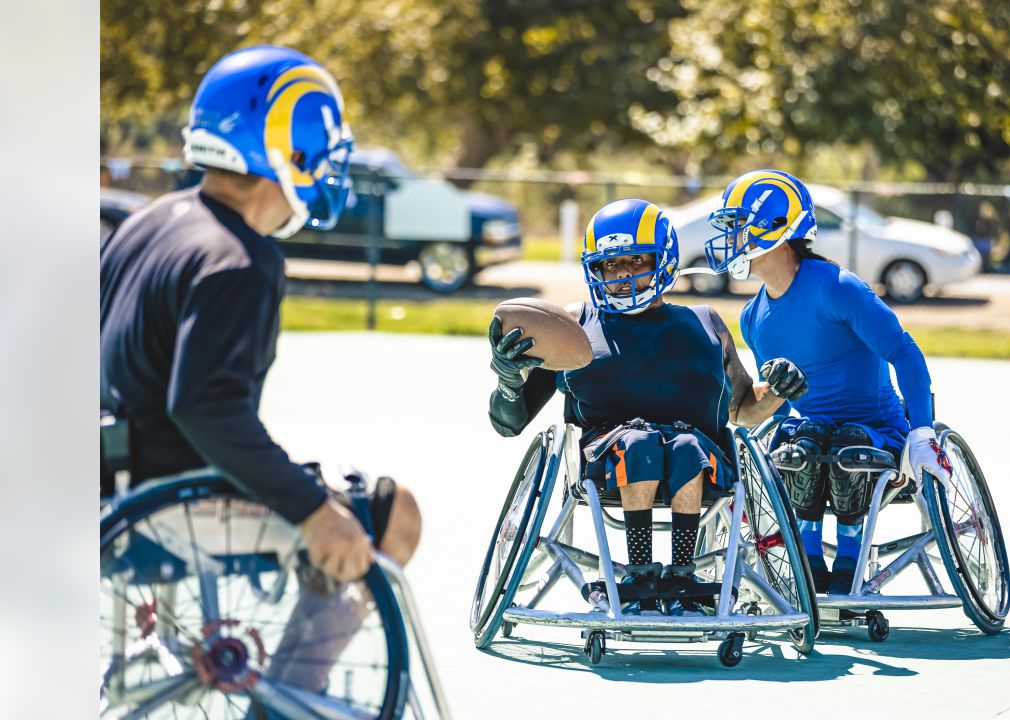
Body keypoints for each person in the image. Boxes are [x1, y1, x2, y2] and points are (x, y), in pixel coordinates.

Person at [100, 46, 420, 691]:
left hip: (107, 479)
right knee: (391, 512)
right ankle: (292, 698)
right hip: (164, 498)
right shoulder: (241, 260)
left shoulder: (149, 221)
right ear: (289, 145)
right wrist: (312, 510)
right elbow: (204, 407)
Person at [487, 198, 807, 615]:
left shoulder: (706, 323)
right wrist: (509, 383)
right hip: (606, 455)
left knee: (687, 448)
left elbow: (742, 409)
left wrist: (778, 388)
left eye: (636, 260)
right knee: (638, 443)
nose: (621, 274)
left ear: (664, 259)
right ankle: (638, 572)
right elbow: (509, 424)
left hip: (698, 456)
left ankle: (681, 574)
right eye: (610, 264)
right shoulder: (573, 326)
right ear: (594, 268)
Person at [702, 169, 952, 596]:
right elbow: (772, 404)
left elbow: (904, 352)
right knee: (804, 442)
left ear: (776, 228)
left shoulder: (838, 287)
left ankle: (850, 558)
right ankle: (811, 558)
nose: (733, 238)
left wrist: (924, 431)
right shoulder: (752, 317)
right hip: (812, 435)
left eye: (740, 226)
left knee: (844, 442)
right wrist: (774, 389)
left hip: (875, 431)